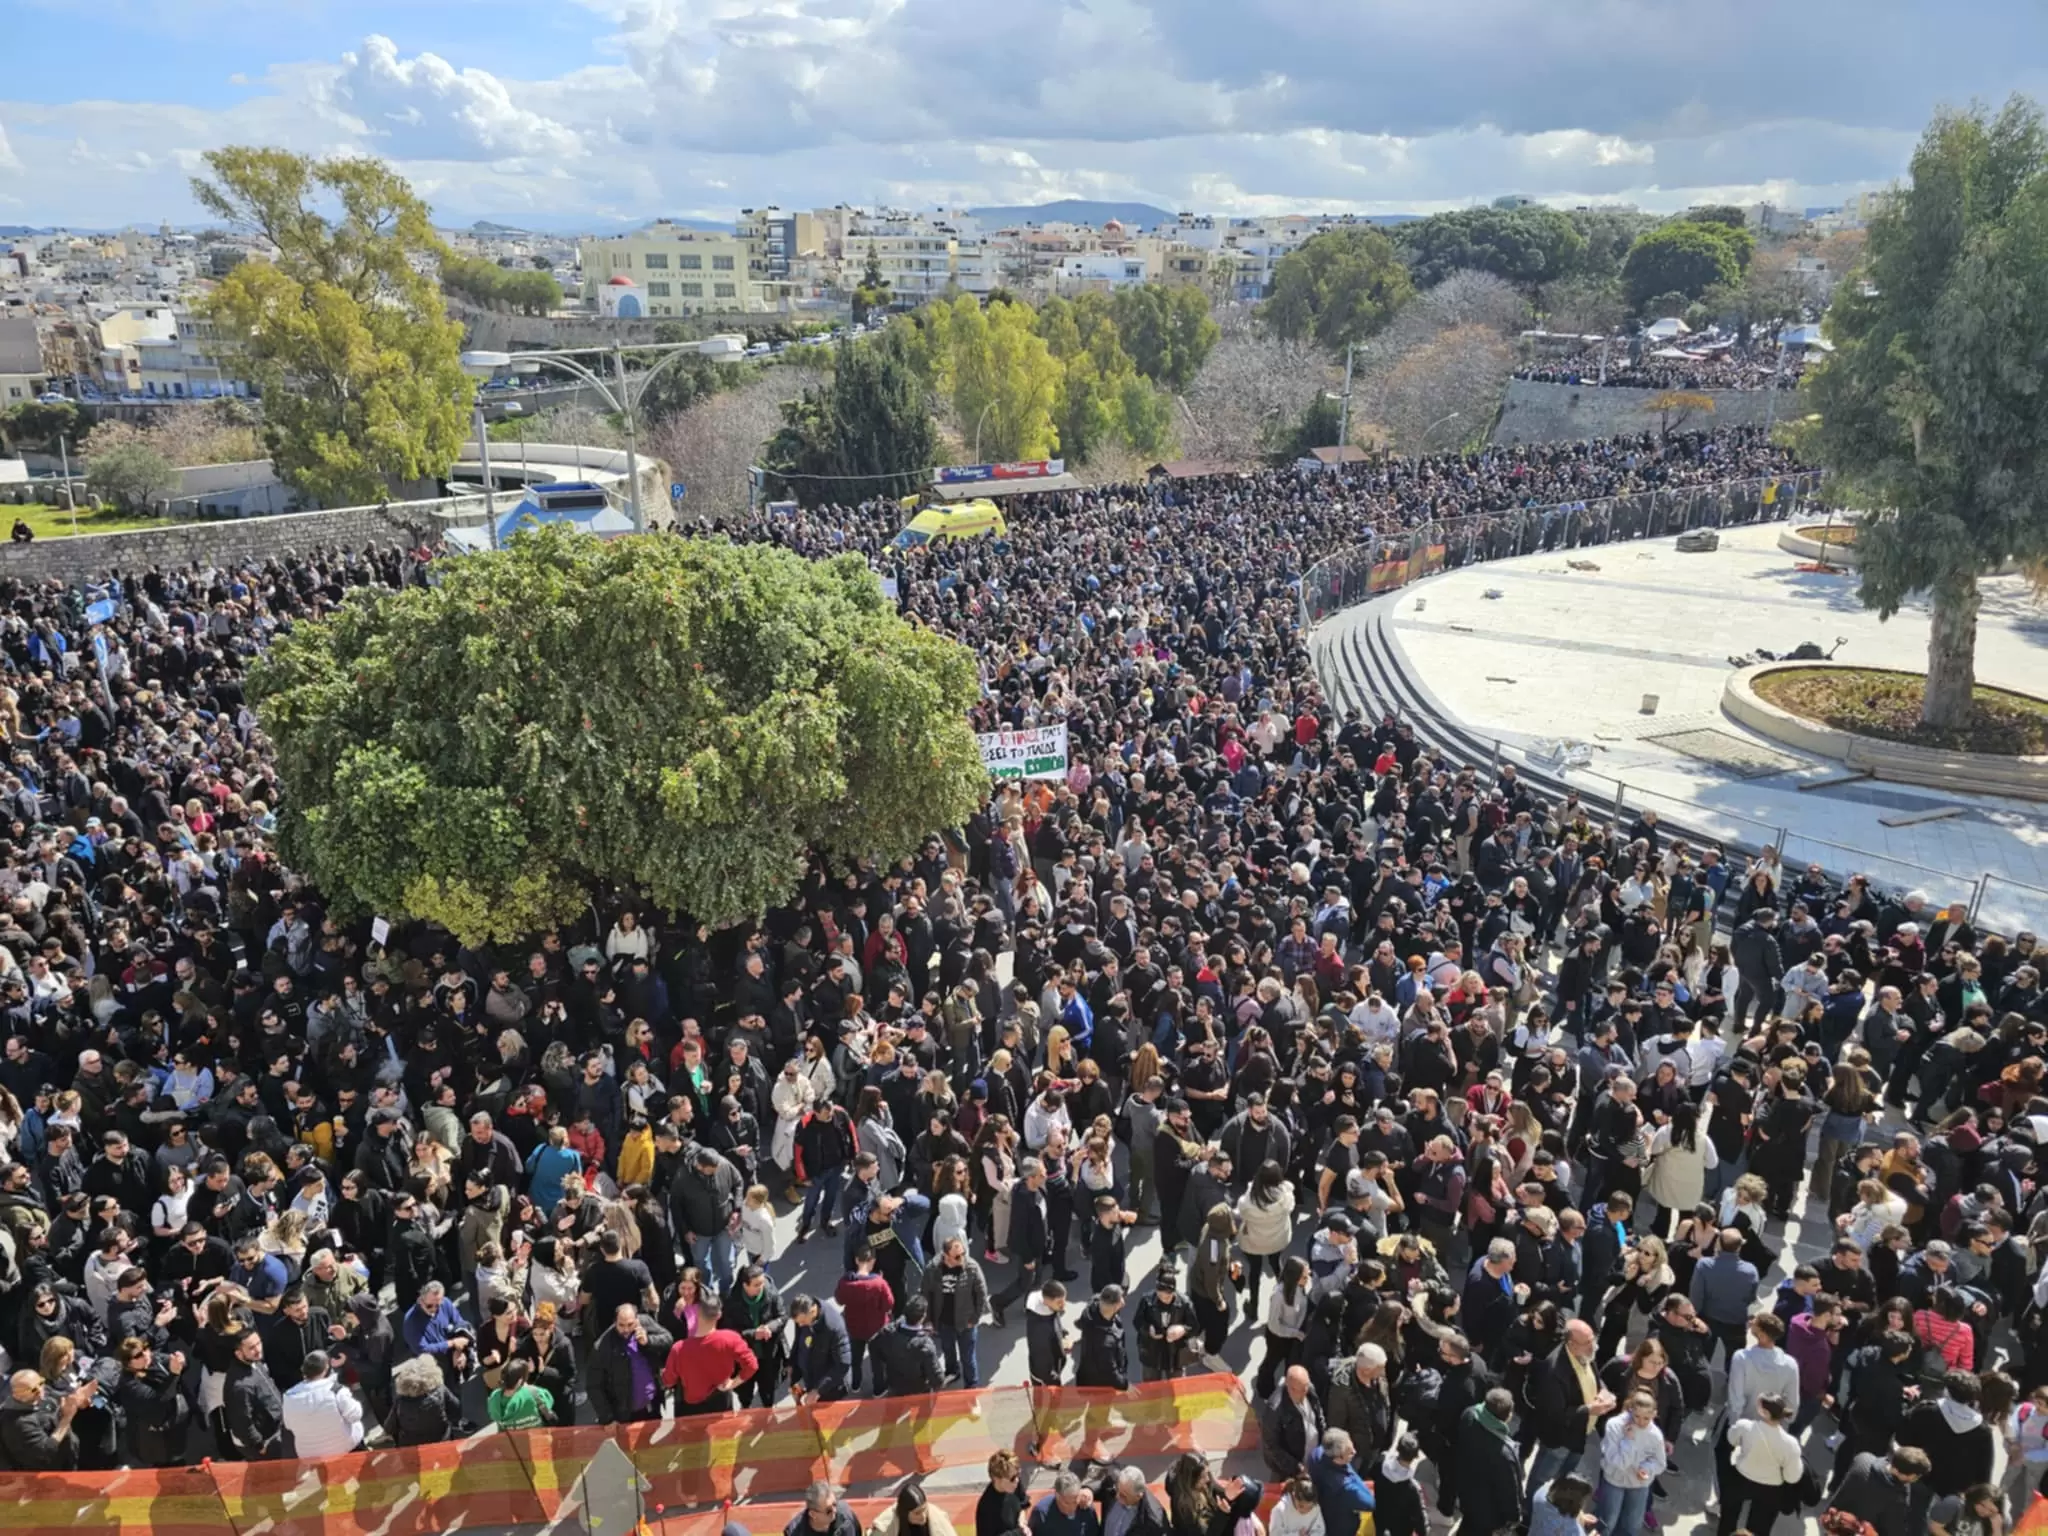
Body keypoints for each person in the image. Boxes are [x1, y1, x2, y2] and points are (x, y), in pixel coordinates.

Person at [1720, 1392, 1805, 1536]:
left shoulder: (1745, 1427)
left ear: (1765, 1412)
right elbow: (1793, 1477)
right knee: (1760, 1529)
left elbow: (1730, 1438)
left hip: (1740, 1478)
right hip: (1771, 1489)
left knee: (1728, 1518)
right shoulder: (1791, 1444)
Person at [1592, 1389, 1668, 1536]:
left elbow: (1660, 1462)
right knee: (1607, 1522)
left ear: (1654, 1414)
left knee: (1632, 1525)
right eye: (1637, 1416)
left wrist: (1646, 1469)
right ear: (1630, 1410)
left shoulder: (1655, 1435)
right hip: (1614, 1480)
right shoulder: (1614, 1425)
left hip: (1639, 1484)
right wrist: (1629, 1441)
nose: (1641, 1422)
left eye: (1647, 1418)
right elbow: (1618, 1463)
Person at [585, 1303, 674, 1425]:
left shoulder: (645, 1323)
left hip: (652, 1404)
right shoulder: (602, 1347)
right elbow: (594, 1386)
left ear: (637, 1320)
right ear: (614, 1322)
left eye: (630, 1324)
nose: (626, 1329)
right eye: (621, 1325)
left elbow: (668, 1338)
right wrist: (607, 1418)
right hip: (625, 1413)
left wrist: (649, 1341)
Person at [282, 1350, 366, 1456]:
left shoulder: (289, 1396)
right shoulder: (336, 1391)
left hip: (312, 1455)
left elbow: (289, 1425)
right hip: (345, 1447)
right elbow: (355, 1415)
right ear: (326, 1368)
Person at [1306, 1425, 1375, 1536]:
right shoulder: (1346, 1487)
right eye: (1350, 1452)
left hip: (1321, 1516)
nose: (1355, 1451)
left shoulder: (1316, 1454)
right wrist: (1349, 1471)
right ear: (1338, 1459)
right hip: (1340, 1528)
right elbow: (1370, 1502)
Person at [980, 1450, 1030, 1536]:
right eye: (1012, 1478)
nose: (1017, 1480)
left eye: (1018, 1474)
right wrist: (1020, 1532)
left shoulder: (1014, 1484)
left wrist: (1022, 1521)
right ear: (997, 1479)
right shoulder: (986, 1508)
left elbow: (1024, 1503)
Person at [786, 1481, 863, 1536]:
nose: (834, 1511)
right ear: (813, 1514)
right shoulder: (795, 1532)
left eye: (835, 1504)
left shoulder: (846, 1518)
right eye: (828, 1510)